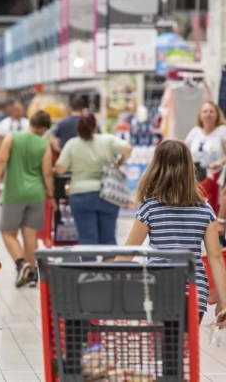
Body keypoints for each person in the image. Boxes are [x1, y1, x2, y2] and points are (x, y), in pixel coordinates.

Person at [115, 140, 226, 329]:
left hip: (159, 284)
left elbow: (128, 253)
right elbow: (215, 257)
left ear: (156, 168)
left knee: (166, 347)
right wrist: (224, 301)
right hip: (194, 288)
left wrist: (107, 282)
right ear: (189, 169)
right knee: (184, 348)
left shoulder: (149, 208)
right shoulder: (205, 210)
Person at [0, 111, 55, 288]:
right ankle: (33, 274)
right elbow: (47, 172)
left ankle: (21, 263)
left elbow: (0, 161)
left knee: (7, 232)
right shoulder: (44, 144)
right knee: (30, 234)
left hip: (14, 193)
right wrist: (51, 195)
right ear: (42, 128)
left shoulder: (12, 137)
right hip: (36, 194)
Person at [55, 113, 132, 247]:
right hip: (107, 194)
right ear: (95, 126)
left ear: (78, 128)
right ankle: (107, 266)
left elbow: (60, 169)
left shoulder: (72, 144)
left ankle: (88, 266)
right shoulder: (107, 140)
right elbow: (127, 148)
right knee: (108, 239)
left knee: (86, 240)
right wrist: (120, 162)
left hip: (80, 194)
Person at [185, 101, 226, 211]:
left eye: (211, 111)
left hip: (216, 176)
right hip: (195, 175)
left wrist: (220, 162)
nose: (208, 114)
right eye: (205, 111)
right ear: (200, 115)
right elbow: (185, 150)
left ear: (217, 114)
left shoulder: (222, 131)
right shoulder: (195, 132)